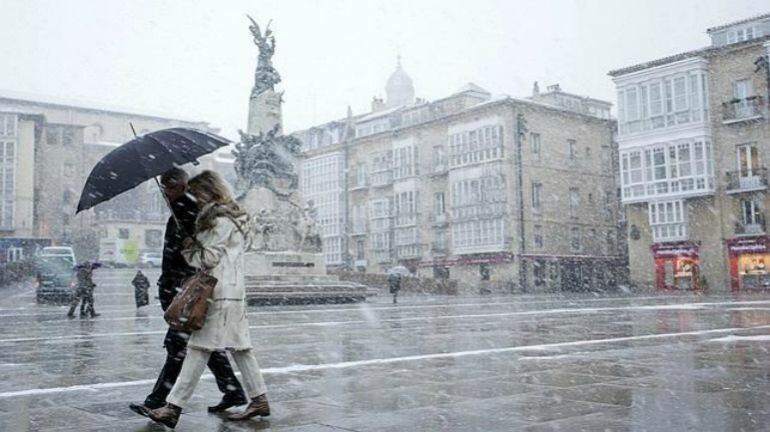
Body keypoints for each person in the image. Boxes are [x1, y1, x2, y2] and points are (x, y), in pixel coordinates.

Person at [147, 170, 270, 428]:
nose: (195, 198)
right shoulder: (234, 218)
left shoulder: (219, 221)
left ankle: (172, 408)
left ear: (210, 191)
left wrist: (190, 244)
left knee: (197, 349)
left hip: (217, 293)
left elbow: (208, 258)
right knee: (241, 348)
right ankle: (259, 399)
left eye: (197, 193)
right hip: (234, 292)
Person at [129, 168, 246, 418]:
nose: (164, 191)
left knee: (178, 346)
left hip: (186, 288)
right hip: (178, 286)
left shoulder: (190, 211)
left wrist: (187, 242)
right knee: (202, 343)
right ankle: (233, 390)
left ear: (182, 185)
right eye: (162, 186)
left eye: (168, 186)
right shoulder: (182, 210)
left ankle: (157, 400)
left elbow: (200, 251)